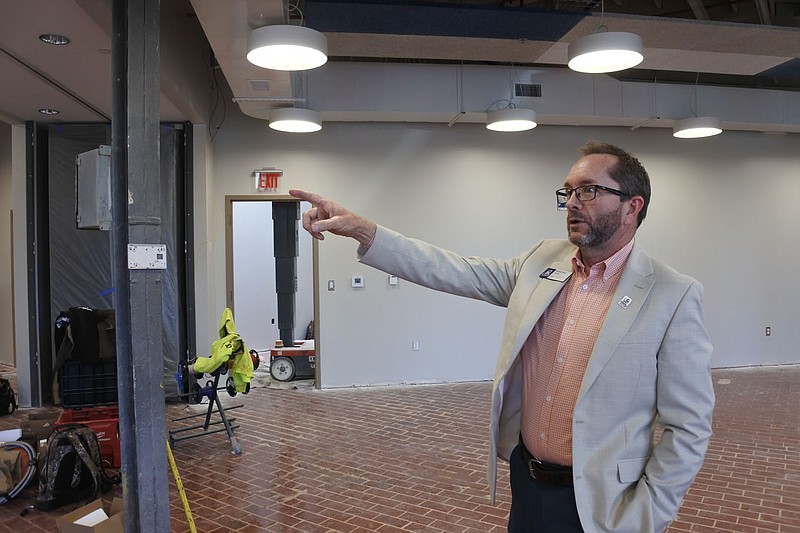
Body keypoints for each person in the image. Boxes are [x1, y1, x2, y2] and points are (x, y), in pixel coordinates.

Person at [289, 141, 714, 533]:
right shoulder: (541, 262)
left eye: (588, 191)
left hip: (606, 505)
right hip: (528, 485)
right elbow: (455, 269)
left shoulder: (672, 295)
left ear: (631, 207)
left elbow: (689, 427)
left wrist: (647, 517)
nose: (571, 203)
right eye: (567, 192)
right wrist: (366, 231)